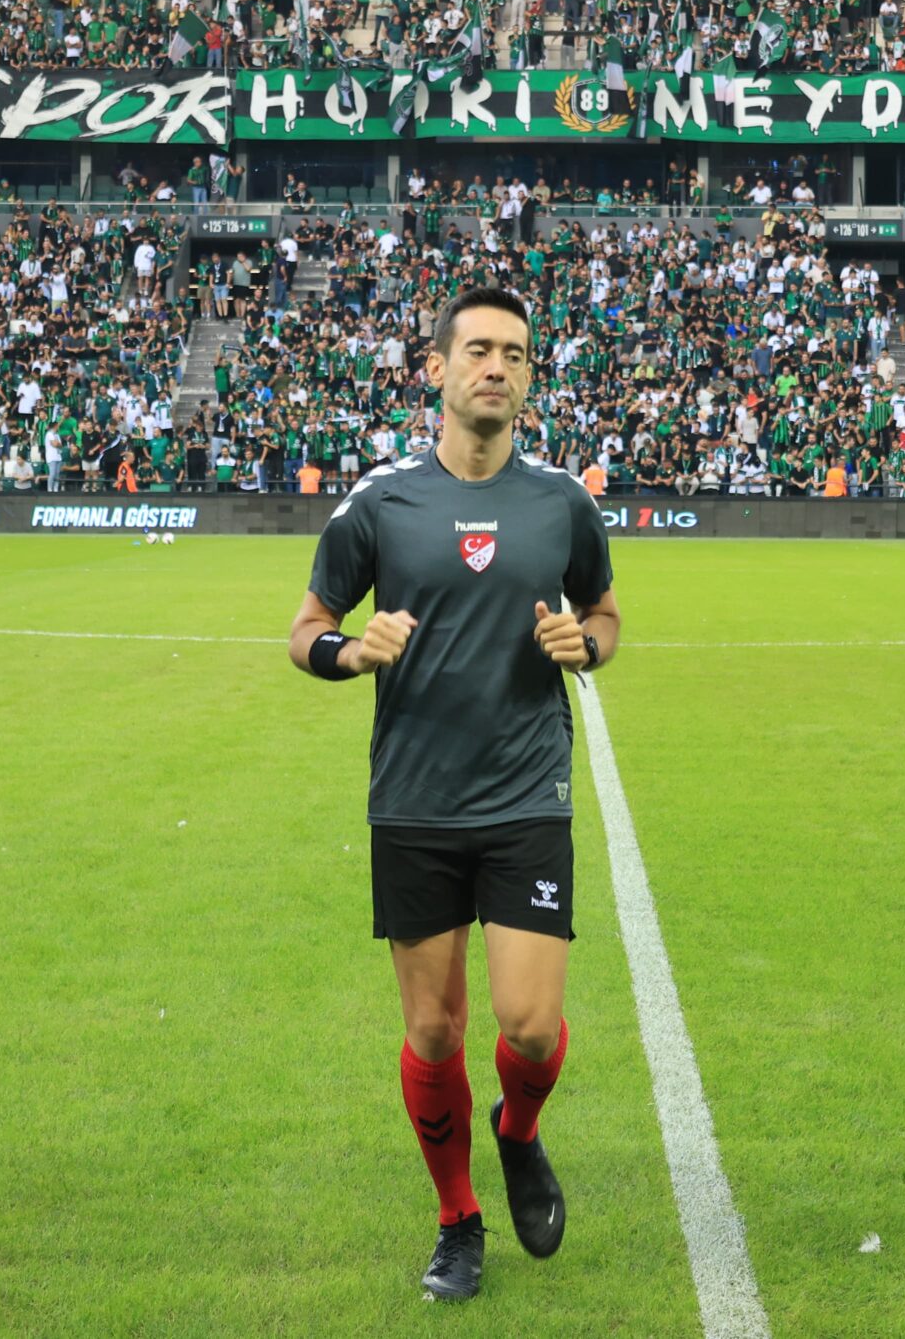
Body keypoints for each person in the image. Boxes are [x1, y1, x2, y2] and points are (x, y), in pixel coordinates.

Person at [285, 286, 620, 1304]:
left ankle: (516, 1133)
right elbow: (305, 625)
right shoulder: (380, 502)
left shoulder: (561, 499)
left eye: (514, 354)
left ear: (528, 376)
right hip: (415, 803)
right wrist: (349, 651)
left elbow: (602, 612)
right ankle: (456, 1221)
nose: (496, 367)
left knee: (524, 1028)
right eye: (477, 350)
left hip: (526, 798)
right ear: (435, 368)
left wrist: (587, 645)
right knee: (432, 1032)